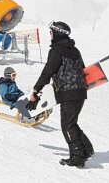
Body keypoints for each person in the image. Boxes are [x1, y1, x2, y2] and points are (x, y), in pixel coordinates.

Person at [27, 21, 94, 168]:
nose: (50, 35)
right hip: (80, 91)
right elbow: (82, 69)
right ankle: (87, 150)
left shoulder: (56, 50)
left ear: (57, 33)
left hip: (68, 92)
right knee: (72, 123)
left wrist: (36, 90)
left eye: (51, 32)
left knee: (67, 126)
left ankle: (77, 157)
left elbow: (48, 72)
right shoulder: (75, 50)